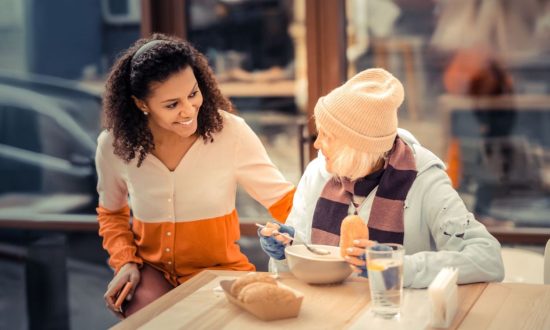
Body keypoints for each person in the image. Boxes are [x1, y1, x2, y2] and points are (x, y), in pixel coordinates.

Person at [96, 34, 295, 317]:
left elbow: (283, 199)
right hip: (151, 272)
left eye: (192, 94)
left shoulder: (230, 132)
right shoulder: (113, 145)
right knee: (142, 312)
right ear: (142, 104)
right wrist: (125, 262)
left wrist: (328, 234)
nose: (188, 110)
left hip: (220, 271)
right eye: (171, 104)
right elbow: (111, 214)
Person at [259, 68, 504, 288]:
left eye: (327, 136)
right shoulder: (317, 172)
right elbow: (302, 255)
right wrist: (285, 252)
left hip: (399, 316)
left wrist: (397, 267)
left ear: (356, 146)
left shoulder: (425, 181)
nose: (316, 144)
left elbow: (487, 259)